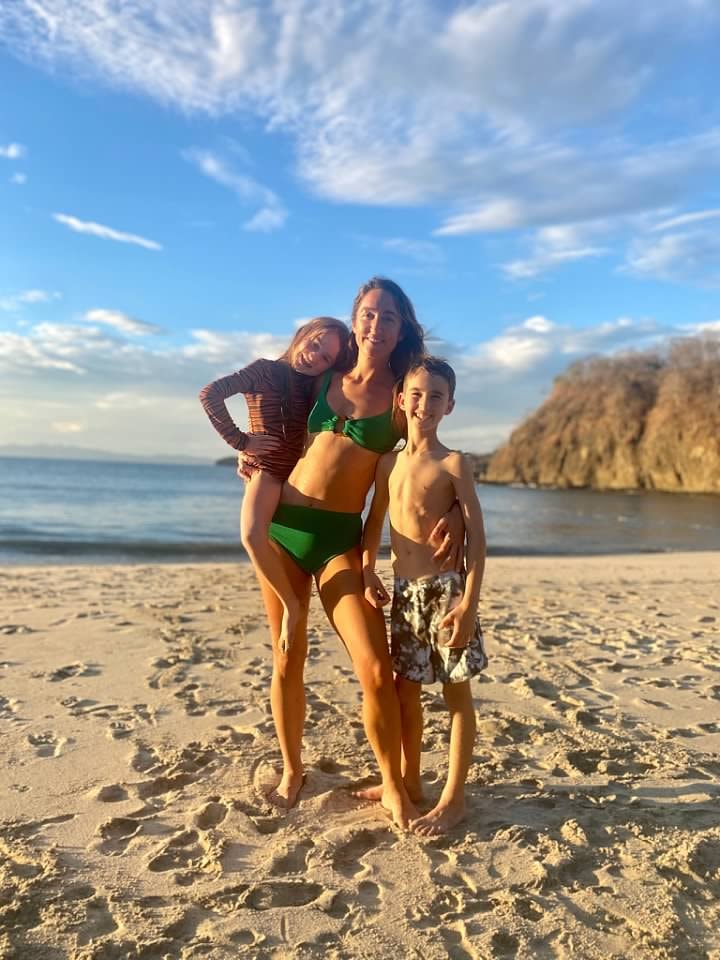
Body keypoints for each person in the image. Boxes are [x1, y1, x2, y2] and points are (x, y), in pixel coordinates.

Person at [239, 278, 461, 828]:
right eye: (368, 314)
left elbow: (432, 456)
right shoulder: (317, 382)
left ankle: (392, 787)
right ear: (354, 320)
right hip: (282, 531)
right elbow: (270, 426)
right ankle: (293, 770)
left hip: (341, 542)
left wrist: (456, 508)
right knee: (288, 656)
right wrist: (249, 453)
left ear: (401, 326)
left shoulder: (400, 396)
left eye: (389, 317)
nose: (376, 325)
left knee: (377, 670)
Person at [361, 356, 488, 835]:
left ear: (450, 405)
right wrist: (368, 568)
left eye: (436, 396)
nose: (425, 403)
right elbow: (375, 524)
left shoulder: (455, 463)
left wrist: (468, 604)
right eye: (416, 394)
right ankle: (410, 782)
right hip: (403, 593)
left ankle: (454, 797)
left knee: (458, 698)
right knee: (404, 692)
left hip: (446, 592)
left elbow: (477, 540)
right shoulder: (387, 463)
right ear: (401, 399)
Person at [199, 317, 349, 653]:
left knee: (281, 544)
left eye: (325, 357)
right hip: (268, 470)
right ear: (302, 336)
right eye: (314, 345)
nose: (315, 358)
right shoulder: (264, 370)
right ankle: (292, 606)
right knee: (252, 536)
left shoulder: (315, 384)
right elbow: (210, 394)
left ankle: (299, 604)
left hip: (301, 475)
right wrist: (240, 442)